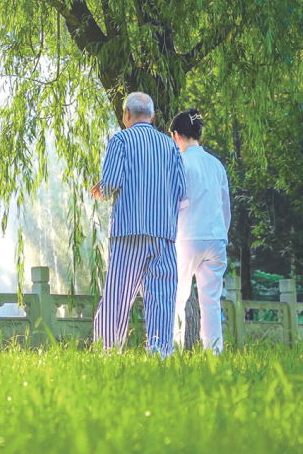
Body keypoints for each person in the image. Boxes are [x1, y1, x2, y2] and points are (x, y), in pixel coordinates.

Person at [89, 92, 186, 357]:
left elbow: (110, 185)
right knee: (161, 300)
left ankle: (106, 353)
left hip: (128, 232)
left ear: (126, 114)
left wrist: (101, 188)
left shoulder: (120, 140)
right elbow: (181, 190)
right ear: (153, 116)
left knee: (117, 298)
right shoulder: (170, 146)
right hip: (163, 235)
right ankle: (160, 355)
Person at [170, 107, 231, 354]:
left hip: (187, 236)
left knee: (176, 298)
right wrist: (221, 232)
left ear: (176, 135)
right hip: (216, 237)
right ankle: (214, 353)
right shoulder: (216, 165)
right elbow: (225, 205)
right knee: (211, 302)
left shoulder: (180, 162)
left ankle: (171, 350)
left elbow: (172, 202)